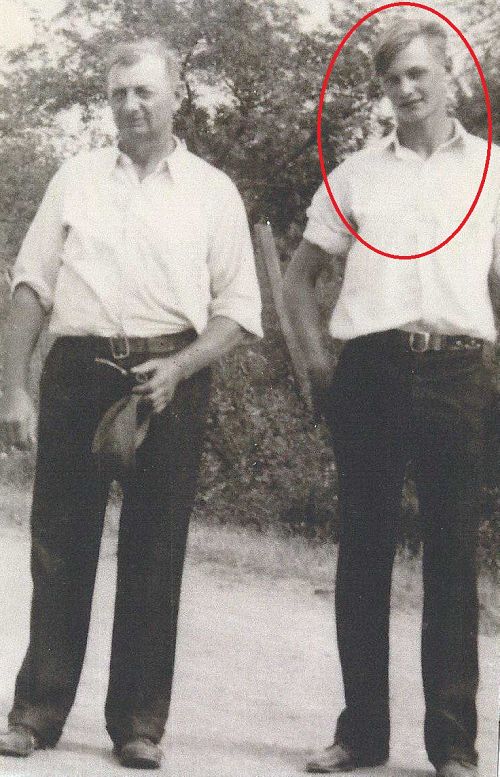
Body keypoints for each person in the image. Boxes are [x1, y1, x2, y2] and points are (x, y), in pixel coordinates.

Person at [0, 37, 262, 769]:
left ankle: (139, 724)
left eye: (144, 91)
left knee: (154, 549)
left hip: (168, 376)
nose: (130, 105)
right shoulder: (75, 178)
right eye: (118, 93)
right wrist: (14, 386)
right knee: (59, 545)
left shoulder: (212, 191)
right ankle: (36, 711)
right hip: (79, 369)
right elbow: (31, 286)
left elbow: (238, 311)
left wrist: (179, 366)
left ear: (177, 95)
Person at [284, 17, 499, 777]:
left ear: (452, 78)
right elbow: (297, 283)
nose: (406, 90)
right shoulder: (354, 175)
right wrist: (319, 370)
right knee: (364, 554)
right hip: (370, 372)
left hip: (459, 374)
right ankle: (361, 734)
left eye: (419, 74)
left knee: (452, 559)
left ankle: (454, 746)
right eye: (393, 78)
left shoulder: (491, 172)